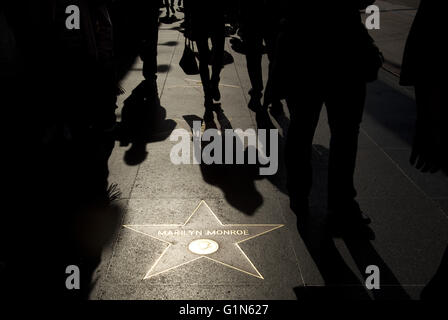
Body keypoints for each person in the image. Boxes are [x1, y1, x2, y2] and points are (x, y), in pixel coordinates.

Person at [278, 1, 379, 231]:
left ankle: (299, 193)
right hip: (344, 50)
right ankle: (341, 202)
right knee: (344, 133)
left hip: (302, 48)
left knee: (302, 128)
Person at [239, 0, 286, 115]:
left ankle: (258, 91)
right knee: (273, 57)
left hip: (253, 11)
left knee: (254, 55)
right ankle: (272, 94)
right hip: (271, 12)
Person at [184, 0, 225, 114]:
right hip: (207, 14)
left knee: (211, 55)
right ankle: (209, 89)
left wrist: (187, 19)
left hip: (203, 14)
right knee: (211, 55)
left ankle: (211, 86)